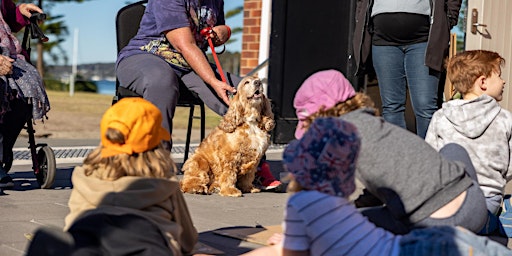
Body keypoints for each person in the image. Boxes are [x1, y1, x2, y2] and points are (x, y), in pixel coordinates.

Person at [243, 117, 512, 256]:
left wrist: (288, 244)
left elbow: (278, 252)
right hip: (422, 242)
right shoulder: (334, 205)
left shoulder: (303, 207)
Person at [293, 69, 487, 234]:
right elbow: (381, 175)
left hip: (433, 225)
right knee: (453, 149)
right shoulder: (376, 125)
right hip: (474, 207)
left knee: (345, 223)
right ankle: (488, 220)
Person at [115, 0, 280, 190]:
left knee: (243, 93)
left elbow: (218, 28)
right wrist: (212, 80)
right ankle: (154, 167)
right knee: (161, 82)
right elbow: (184, 44)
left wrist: (222, 32)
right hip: (147, 56)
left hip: (188, 65)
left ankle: (255, 167)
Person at [63, 97, 198, 255]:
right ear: (156, 146)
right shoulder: (164, 184)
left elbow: (70, 225)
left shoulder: (83, 177)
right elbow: (188, 241)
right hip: (149, 246)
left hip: (86, 242)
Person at [425, 50, 512, 236]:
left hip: (451, 198)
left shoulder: (441, 117)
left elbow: (430, 159)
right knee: (479, 223)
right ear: (482, 82)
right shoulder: (505, 119)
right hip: (488, 198)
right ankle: (496, 219)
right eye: (499, 75)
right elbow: (510, 167)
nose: (503, 81)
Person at [353, 0, 462, 139]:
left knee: (425, 107)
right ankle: (400, 158)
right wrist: (360, 16)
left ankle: (429, 159)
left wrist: (448, 19)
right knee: (391, 107)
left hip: (424, 40)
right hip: (383, 41)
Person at [0, 1, 50, 188]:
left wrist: (19, 12)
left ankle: (3, 153)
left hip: (9, 55)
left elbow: (9, 17)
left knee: (25, 95)